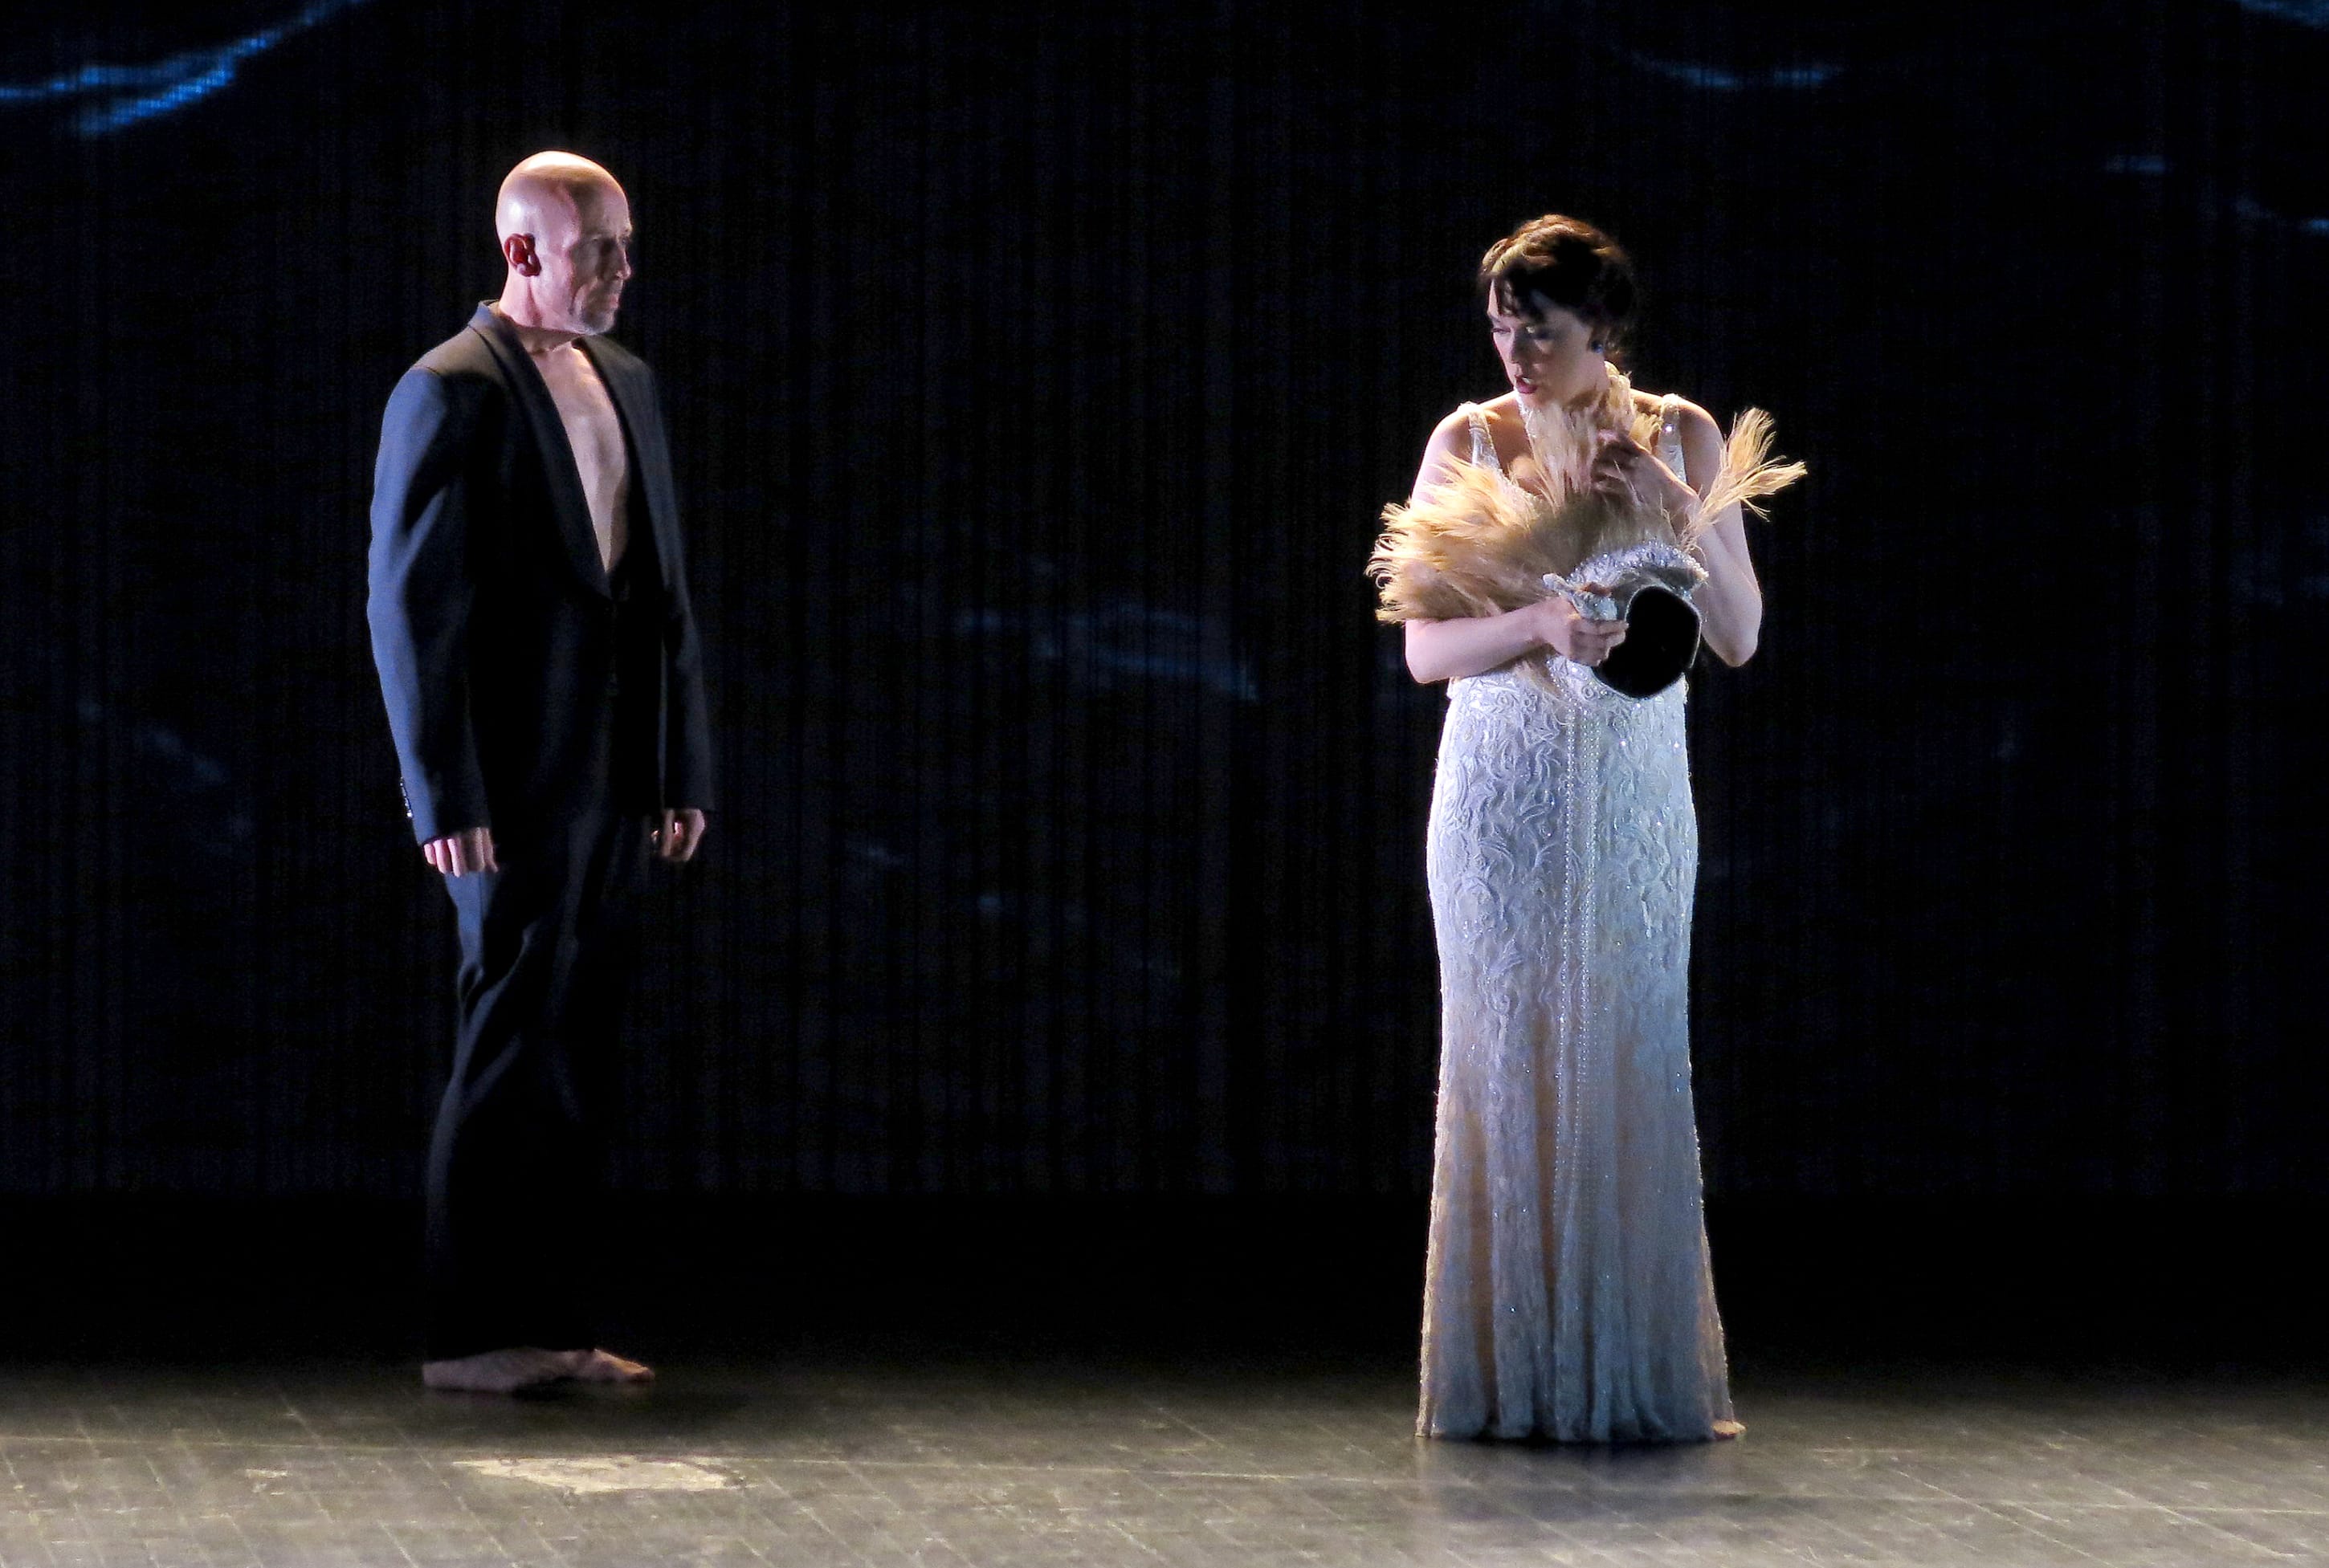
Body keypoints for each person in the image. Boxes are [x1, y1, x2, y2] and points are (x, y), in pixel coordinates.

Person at [1378, 214, 1784, 1441]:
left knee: (1627, 1059)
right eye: (1501, 326)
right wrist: (1539, 626)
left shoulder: (1682, 433)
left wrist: (1671, 499)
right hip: (1501, 797)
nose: (1515, 352)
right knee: (1506, 1064)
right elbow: (1425, 650)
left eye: (1539, 329)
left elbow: (1739, 633)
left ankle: (1619, 1366)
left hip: (1633, 802)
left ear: (1600, 326)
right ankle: (1511, 1375)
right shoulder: (1469, 439)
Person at [367, 152, 715, 1394]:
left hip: (615, 774)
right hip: (509, 782)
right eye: (599, 249)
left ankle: (556, 1323)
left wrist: (681, 765)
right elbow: (411, 609)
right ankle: (471, 1335)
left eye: (626, 244)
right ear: (523, 252)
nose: (624, 270)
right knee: (511, 1036)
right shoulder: (450, 388)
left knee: (582, 1040)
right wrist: (443, 791)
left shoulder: (628, 379)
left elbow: (662, 596)